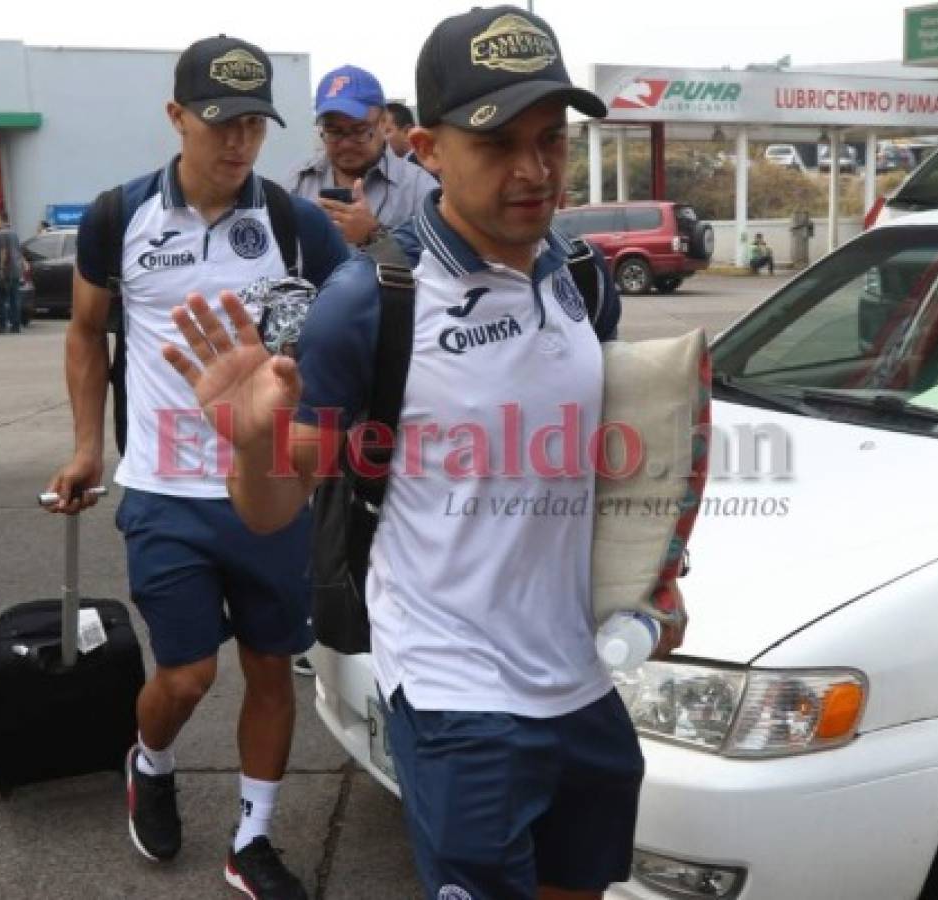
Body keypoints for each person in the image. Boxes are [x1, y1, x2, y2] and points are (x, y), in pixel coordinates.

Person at [164, 8, 689, 899]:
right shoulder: (369, 304)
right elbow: (274, 508)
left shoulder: (582, 279)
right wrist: (253, 448)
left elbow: (596, 466)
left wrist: (652, 575)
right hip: (456, 698)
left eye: (550, 139)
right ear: (427, 149)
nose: (533, 170)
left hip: (583, 681)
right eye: (496, 143)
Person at [45, 34, 348, 900]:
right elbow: (84, 332)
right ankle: (152, 757)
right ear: (177, 116)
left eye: (255, 123)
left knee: (267, 666)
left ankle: (251, 839)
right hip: (165, 490)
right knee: (184, 676)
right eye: (219, 121)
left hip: (271, 487)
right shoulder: (119, 216)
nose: (237, 142)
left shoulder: (295, 222)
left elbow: (353, 320)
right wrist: (85, 447)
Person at [285, 65, 436, 247]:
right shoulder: (298, 181)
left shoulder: (419, 189)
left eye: (359, 131)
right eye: (334, 131)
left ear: (382, 122)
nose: (346, 143)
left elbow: (436, 271)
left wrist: (374, 237)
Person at [0, 211, 23, 334]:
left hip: (7, 270)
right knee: (14, 299)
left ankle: (2, 325)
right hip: (16, 269)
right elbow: (18, 251)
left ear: (0, 219)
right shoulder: (14, 233)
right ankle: (16, 325)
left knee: (1, 299)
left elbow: (3, 252)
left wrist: (0, 268)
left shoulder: (1, 234)